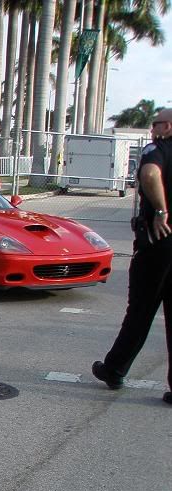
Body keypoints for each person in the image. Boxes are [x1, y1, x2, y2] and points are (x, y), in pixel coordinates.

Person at [92, 108, 172, 406]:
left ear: (168, 126)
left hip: (159, 241)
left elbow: (150, 173)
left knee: (140, 311)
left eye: (156, 124)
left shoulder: (157, 150)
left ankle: (114, 369)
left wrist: (160, 210)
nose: (152, 129)